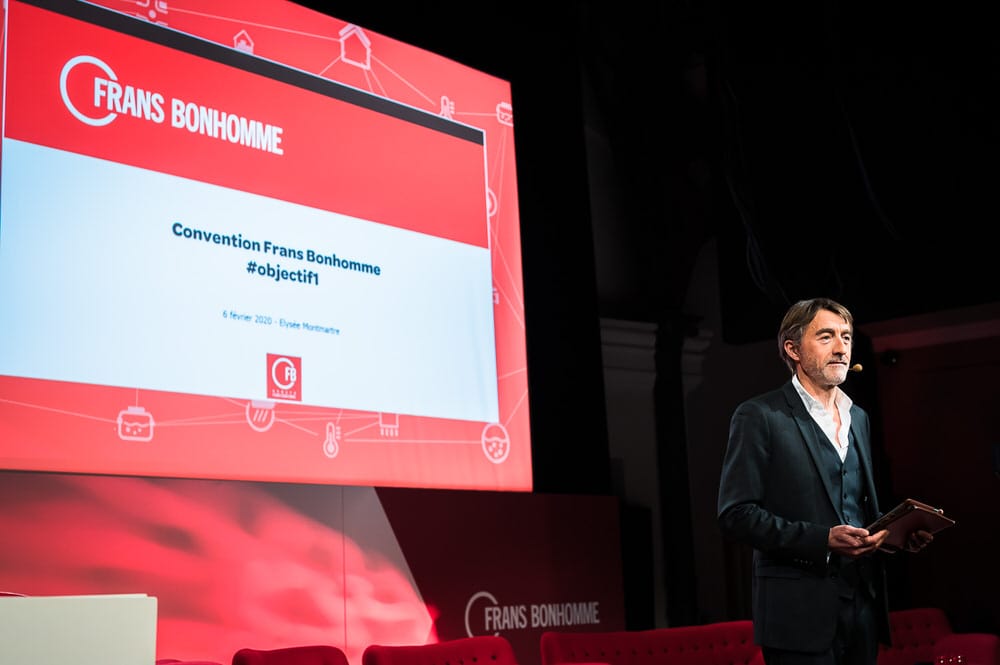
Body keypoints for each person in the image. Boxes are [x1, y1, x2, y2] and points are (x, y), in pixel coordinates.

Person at [717, 297, 932, 665]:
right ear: (792, 348)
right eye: (826, 336)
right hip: (796, 613)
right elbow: (735, 514)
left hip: (862, 606)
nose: (841, 348)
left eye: (846, 338)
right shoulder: (759, 416)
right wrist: (822, 540)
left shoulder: (858, 417)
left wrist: (895, 535)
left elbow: (858, 506)